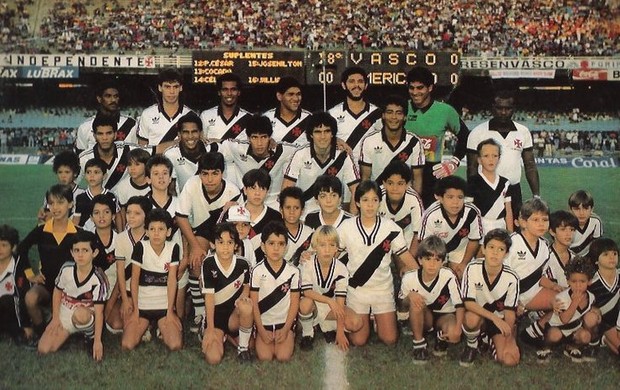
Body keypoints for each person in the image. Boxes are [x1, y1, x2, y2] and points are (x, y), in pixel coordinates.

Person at [337, 180, 418, 346]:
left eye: (375, 200)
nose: (370, 205)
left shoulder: (391, 228)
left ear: (380, 203)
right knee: (359, 340)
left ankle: (375, 318)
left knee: (389, 339)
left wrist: (423, 276)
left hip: (382, 288)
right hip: (357, 289)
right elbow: (332, 254)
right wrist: (311, 255)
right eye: (365, 200)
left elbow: (405, 256)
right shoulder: (346, 227)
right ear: (357, 202)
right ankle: (358, 316)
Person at [175, 152, 241, 332]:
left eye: (215, 173)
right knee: (197, 263)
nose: (210, 179)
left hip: (224, 235)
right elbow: (181, 218)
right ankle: (200, 310)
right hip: (200, 232)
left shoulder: (233, 191)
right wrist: (195, 247)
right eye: (205, 174)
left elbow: (236, 228)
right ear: (199, 174)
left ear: (222, 173)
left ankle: (227, 306)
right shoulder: (192, 184)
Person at [19, 184, 82, 339]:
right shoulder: (41, 231)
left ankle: (67, 326)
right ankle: (41, 331)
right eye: (51, 203)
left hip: (69, 289)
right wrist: (30, 274)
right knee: (30, 298)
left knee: (63, 325)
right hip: (47, 285)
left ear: (71, 204)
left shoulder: (78, 233)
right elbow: (22, 248)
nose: (55, 207)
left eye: (60, 202)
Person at [467, 90, 540, 221]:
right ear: (492, 108)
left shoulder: (523, 132)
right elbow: (472, 167)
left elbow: (530, 165)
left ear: (514, 109)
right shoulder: (478, 133)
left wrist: (536, 196)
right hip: (485, 190)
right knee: (486, 230)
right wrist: (471, 195)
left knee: (514, 231)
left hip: (513, 190)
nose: (503, 112)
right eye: (499, 108)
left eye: (508, 108)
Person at [37, 230, 108, 361]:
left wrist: (98, 341)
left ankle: (89, 335)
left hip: (86, 313)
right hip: (66, 310)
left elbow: (99, 312)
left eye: (85, 250)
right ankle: (70, 331)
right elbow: (57, 292)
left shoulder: (98, 279)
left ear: (94, 253)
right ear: (71, 253)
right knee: (44, 349)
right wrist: (56, 318)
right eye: (76, 250)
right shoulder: (66, 269)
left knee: (81, 315)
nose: (80, 255)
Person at [404, 66, 468, 208]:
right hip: (403, 173)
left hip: (431, 175)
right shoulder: (401, 108)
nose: (415, 92)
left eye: (420, 88)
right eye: (411, 88)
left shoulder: (445, 111)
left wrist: (454, 161)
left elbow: (465, 136)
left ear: (430, 88)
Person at [122, 209, 183, 351]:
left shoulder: (173, 247)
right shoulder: (141, 247)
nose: (156, 233)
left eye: (161, 229)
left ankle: (161, 328)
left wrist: (170, 311)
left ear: (168, 232)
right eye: (152, 229)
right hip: (143, 305)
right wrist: (136, 311)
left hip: (163, 306)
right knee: (127, 345)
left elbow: (172, 281)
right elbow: (134, 281)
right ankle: (146, 326)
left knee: (175, 345)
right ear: (147, 232)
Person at [460, 229, 520, 367]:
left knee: (509, 360)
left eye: (501, 249)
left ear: (506, 254)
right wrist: (495, 319)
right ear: (484, 249)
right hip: (479, 315)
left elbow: (510, 311)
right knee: (471, 319)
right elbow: (468, 303)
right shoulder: (472, 268)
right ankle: (472, 344)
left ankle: (488, 339)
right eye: (491, 247)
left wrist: (509, 337)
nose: (495, 252)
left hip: (499, 319)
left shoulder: (512, 278)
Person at [399, 235, 464, 364]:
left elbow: (459, 305)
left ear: (443, 261)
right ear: (420, 260)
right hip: (424, 315)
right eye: (428, 259)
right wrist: (410, 297)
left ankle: (441, 337)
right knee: (416, 302)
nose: (432, 264)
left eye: (437, 259)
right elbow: (402, 305)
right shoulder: (409, 278)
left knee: (452, 333)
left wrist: (458, 328)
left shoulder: (449, 275)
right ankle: (419, 345)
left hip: (444, 315)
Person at [298, 225, 362, 352]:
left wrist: (340, 332)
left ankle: (328, 327)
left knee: (356, 323)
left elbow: (340, 301)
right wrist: (329, 301)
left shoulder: (341, 269)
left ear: (337, 248)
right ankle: (307, 334)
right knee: (305, 304)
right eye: (322, 245)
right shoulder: (308, 263)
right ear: (315, 247)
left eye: (331, 245)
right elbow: (307, 291)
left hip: (331, 307)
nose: (327, 250)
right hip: (314, 304)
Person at [282, 111, 360, 215]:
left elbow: (356, 191)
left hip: (334, 213)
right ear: (311, 134)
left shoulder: (343, 155)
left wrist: (352, 217)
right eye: (318, 132)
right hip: (305, 214)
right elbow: (286, 190)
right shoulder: (300, 154)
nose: (322, 136)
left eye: (327, 131)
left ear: (332, 134)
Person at [200, 223, 253, 364]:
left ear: (236, 245)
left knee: (247, 307)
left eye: (230, 242)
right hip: (215, 318)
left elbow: (247, 287)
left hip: (233, 316)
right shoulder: (208, 263)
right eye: (221, 242)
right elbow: (209, 298)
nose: (225, 247)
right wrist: (210, 329)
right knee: (213, 358)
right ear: (213, 244)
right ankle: (219, 334)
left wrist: (242, 299)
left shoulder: (244, 264)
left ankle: (242, 347)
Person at [219, 115, 297, 208]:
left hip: (274, 206)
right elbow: (217, 145)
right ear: (248, 138)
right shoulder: (238, 148)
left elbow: (306, 150)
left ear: (270, 137)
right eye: (254, 137)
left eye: (264, 137)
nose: (259, 143)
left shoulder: (283, 151)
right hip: (245, 206)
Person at [144, 155, 188, 320]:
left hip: (177, 259)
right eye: (156, 174)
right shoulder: (143, 204)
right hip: (150, 260)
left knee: (178, 314)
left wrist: (185, 259)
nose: (161, 177)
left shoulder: (180, 202)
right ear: (148, 179)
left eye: (164, 173)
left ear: (170, 178)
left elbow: (185, 233)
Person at [250, 221, 301, 362]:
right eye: (271, 243)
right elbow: (253, 303)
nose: (276, 248)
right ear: (263, 246)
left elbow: (294, 303)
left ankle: (290, 334)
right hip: (263, 324)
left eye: (280, 244)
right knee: (265, 357)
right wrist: (260, 329)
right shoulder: (257, 271)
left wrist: (285, 329)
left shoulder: (293, 272)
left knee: (283, 356)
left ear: (286, 247)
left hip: (284, 323)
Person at [418, 176, 483, 280]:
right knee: (435, 276)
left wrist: (464, 263)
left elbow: (474, 240)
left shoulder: (472, 212)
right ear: (439, 198)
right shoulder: (430, 215)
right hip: (435, 251)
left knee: (462, 275)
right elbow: (425, 244)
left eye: (460, 197)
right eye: (450, 197)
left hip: (461, 250)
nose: (455, 202)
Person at [77, 116, 161, 194]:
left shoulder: (126, 149)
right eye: (100, 134)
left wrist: (174, 143)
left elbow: (157, 150)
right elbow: (74, 185)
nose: (105, 138)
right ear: (94, 136)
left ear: (115, 135)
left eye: (109, 133)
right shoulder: (84, 158)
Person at [359, 95, 424, 195]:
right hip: (377, 199)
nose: (394, 117)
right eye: (389, 112)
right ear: (383, 116)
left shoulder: (414, 142)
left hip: (405, 200)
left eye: (398, 113)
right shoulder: (369, 141)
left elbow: (417, 180)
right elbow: (365, 179)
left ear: (405, 117)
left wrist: (414, 204)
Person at [539, 255, 598, 363]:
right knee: (554, 335)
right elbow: (564, 320)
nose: (578, 285)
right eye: (574, 281)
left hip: (573, 330)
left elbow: (586, 313)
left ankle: (571, 347)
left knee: (585, 336)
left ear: (589, 281)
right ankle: (546, 348)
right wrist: (574, 302)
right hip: (558, 328)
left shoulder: (591, 297)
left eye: (582, 281)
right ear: (568, 281)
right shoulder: (562, 297)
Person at [112, 196, 151, 334]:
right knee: (116, 324)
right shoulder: (121, 238)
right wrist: (125, 298)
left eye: (137, 213)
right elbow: (121, 273)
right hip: (128, 290)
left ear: (146, 215)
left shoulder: (152, 237)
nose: (131, 217)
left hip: (148, 290)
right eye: (128, 213)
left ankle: (149, 322)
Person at [328, 66, 382, 163]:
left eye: (360, 81)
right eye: (351, 81)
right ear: (344, 85)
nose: (356, 85)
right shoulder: (332, 113)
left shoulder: (377, 113)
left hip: (370, 169)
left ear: (366, 85)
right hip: (342, 170)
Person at [466, 138, 514, 237]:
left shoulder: (505, 183)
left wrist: (511, 233)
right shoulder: (473, 182)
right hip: (480, 227)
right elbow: (468, 211)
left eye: (495, 156)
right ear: (479, 159)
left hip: (501, 227)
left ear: (499, 159)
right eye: (486, 156)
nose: (491, 159)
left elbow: (508, 212)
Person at [74, 79, 137, 153]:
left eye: (116, 96)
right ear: (99, 99)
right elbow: (81, 158)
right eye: (108, 96)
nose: (113, 100)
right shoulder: (85, 127)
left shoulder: (131, 124)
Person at [163, 111, 219, 192]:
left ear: (201, 133)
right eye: (186, 132)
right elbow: (171, 190)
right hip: (184, 202)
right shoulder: (171, 154)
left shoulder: (213, 149)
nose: (190, 136)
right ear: (179, 134)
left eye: (194, 132)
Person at [137, 68, 193, 146]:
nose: (172, 91)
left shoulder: (190, 115)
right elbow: (142, 148)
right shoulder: (147, 114)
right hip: (155, 158)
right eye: (167, 87)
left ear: (181, 88)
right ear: (160, 88)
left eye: (175, 87)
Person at [378, 160, 424, 257]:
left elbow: (418, 234)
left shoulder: (414, 199)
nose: (395, 188)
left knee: (407, 268)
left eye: (400, 183)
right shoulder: (377, 196)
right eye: (390, 183)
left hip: (406, 239)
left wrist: (408, 263)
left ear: (408, 184)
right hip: (381, 238)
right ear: (384, 183)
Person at [587, 238, 620, 358]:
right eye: (606, 254)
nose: (612, 257)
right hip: (604, 324)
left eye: (614, 254)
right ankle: (598, 338)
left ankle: (605, 340)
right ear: (596, 260)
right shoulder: (591, 283)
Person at [0, 224, 32, 344]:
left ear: (13, 247)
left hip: (13, 310)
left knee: (7, 299)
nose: (0, 249)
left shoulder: (19, 265)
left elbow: (23, 295)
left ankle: (18, 332)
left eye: (4, 245)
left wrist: (26, 324)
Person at [72, 158, 122, 232]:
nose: (92, 176)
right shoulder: (80, 197)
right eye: (88, 172)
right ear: (85, 175)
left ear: (104, 176)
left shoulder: (111, 196)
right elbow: (76, 219)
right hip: (86, 236)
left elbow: (117, 216)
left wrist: (120, 233)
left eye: (96, 172)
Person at [200, 73, 252, 141]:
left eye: (233, 89)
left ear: (239, 92)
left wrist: (221, 142)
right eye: (225, 89)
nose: (229, 93)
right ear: (219, 92)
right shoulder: (206, 116)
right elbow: (201, 144)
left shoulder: (249, 118)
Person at [37, 150, 84, 225]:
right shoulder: (51, 194)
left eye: (67, 172)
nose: (63, 176)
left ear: (75, 173)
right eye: (60, 172)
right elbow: (47, 217)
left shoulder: (82, 194)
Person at [262, 76, 311, 147]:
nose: (296, 98)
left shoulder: (310, 119)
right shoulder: (266, 118)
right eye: (290, 94)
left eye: (298, 94)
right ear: (279, 96)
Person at [114, 149, 152, 223]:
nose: (132, 168)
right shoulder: (123, 186)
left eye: (137, 164)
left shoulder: (154, 184)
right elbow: (122, 212)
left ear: (146, 165)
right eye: (129, 164)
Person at [279, 187, 314, 266]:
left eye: (296, 208)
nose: (292, 212)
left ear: (302, 210)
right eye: (288, 207)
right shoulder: (274, 233)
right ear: (281, 209)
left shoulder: (310, 233)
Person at [544, 210, 579, 290]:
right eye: (563, 229)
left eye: (572, 229)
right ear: (552, 232)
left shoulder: (575, 258)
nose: (568, 234)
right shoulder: (546, 257)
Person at [568, 190, 603, 256]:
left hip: (588, 258)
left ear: (592, 209)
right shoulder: (566, 223)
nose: (581, 213)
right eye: (577, 209)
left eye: (586, 208)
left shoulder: (596, 221)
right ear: (570, 210)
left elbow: (597, 245)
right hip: (569, 257)